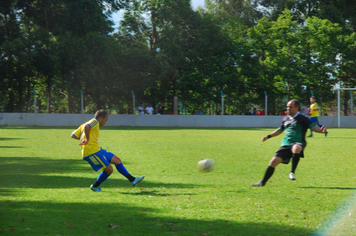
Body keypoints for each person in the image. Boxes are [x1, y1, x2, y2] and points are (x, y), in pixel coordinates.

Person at [252, 99, 327, 187]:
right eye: (287, 107)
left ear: (296, 108)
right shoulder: (286, 118)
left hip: (298, 142)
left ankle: (292, 172)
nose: (288, 109)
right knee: (273, 162)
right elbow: (279, 130)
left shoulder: (302, 118)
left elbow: (313, 127)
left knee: (296, 148)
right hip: (286, 144)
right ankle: (262, 183)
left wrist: (320, 131)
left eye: (290, 107)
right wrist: (268, 136)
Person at [70, 110, 144, 192]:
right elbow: (87, 127)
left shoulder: (86, 123)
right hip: (91, 152)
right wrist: (87, 139)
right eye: (105, 120)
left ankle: (133, 179)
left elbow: (73, 135)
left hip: (97, 149)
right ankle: (95, 186)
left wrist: (83, 139)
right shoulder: (95, 121)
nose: (105, 122)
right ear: (101, 118)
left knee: (117, 160)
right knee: (109, 170)